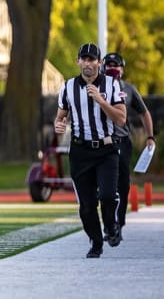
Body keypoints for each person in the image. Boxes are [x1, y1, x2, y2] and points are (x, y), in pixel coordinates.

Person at [54, 43, 126, 258]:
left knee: (107, 195)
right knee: (86, 206)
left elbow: (121, 119)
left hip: (106, 149)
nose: (88, 63)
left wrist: (101, 100)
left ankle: (111, 226)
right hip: (80, 151)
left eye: (92, 59)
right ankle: (96, 243)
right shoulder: (68, 87)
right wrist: (58, 125)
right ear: (78, 61)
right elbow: (60, 117)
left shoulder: (112, 84)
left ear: (99, 63)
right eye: (84, 59)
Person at [101, 52, 156, 239]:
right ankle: (108, 223)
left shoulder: (128, 90)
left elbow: (144, 113)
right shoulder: (96, 87)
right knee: (103, 185)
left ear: (122, 69)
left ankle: (118, 224)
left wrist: (150, 136)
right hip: (101, 141)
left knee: (122, 184)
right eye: (108, 65)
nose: (112, 68)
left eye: (116, 65)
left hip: (122, 142)